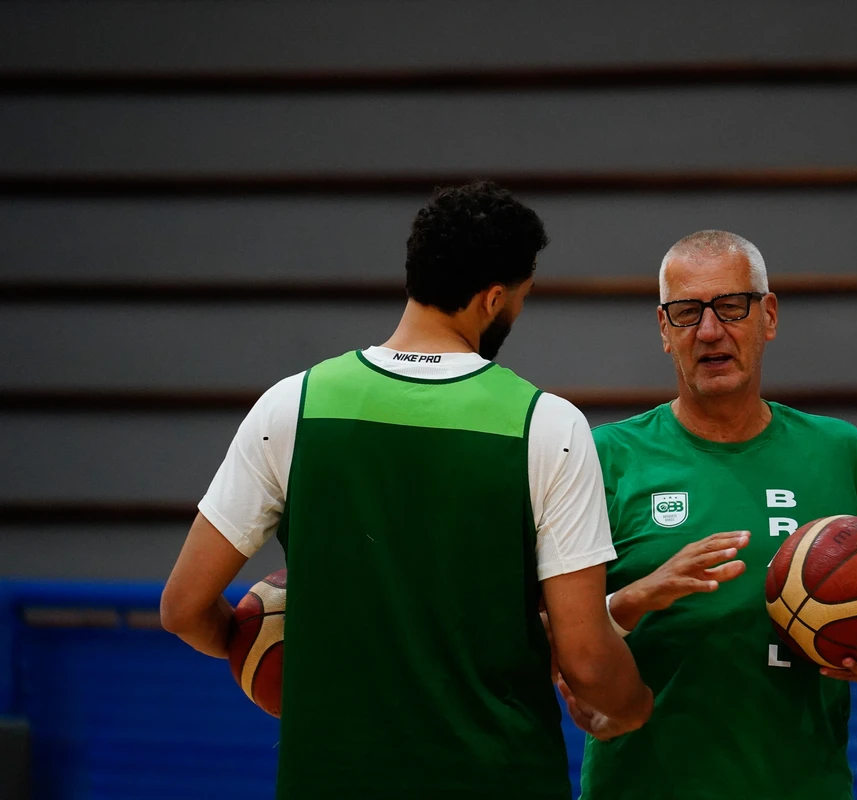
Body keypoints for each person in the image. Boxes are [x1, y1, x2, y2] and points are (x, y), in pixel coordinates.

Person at [160, 181, 653, 800]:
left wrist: (257, 653)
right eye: (520, 299)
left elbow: (183, 609)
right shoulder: (548, 425)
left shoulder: (292, 406)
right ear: (493, 298)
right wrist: (634, 707)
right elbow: (585, 659)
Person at [560, 230, 857, 799]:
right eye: (687, 312)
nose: (710, 330)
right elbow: (551, 639)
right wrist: (636, 597)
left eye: (732, 306)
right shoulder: (604, 456)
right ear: (664, 329)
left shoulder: (840, 451)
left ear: (769, 316)